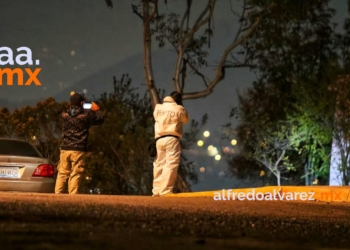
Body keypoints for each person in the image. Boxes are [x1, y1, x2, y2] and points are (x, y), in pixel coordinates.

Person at [55, 92, 104, 194]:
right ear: (82, 103)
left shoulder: (64, 116)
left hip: (65, 149)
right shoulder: (85, 116)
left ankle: (57, 196)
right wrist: (96, 109)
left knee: (62, 173)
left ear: (70, 103)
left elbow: (67, 115)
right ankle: (72, 198)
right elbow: (100, 119)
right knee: (76, 174)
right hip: (79, 150)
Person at [152, 91, 189, 196]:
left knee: (158, 164)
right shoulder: (178, 108)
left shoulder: (158, 107)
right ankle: (165, 191)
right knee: (171, 164)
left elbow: (156, 117)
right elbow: (185, 119)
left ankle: (156, 191)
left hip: (159, 139)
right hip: (172, 138)